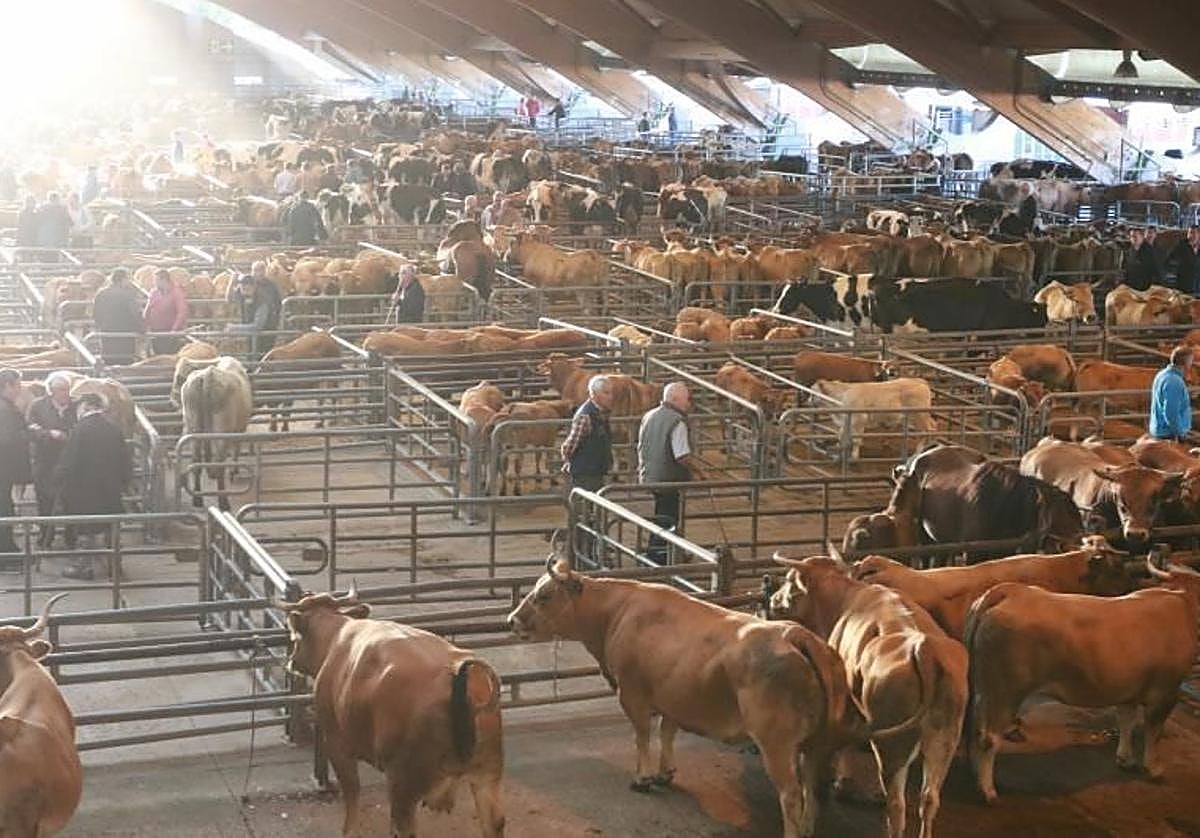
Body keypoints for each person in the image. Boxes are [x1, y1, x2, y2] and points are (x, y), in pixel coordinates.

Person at [56, 392, 132, 580]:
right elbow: (125, 461)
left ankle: (84, 567)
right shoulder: (114, 429)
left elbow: (70, 461)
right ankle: (116, 566)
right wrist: (123, 483)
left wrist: (57, 477)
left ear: (86, 406)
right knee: (111, 528)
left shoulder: (80, 430)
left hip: (85, 490)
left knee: (86, 529)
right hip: (111, 490)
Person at [637, 382, 705, 560]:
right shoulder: (677, 421)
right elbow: (681, 455)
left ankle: (663, 551)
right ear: (675, 399)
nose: (688, 404)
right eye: (686, 399)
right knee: (669, 517)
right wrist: (699, 471)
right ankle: (661, 554)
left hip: (651, 474)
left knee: (662, 514)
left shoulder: (649, 415)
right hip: (669, 477)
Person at [26, 371, 75, 549]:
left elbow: (79, 429)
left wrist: (68, 436)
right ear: (51, 391)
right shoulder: (38, 406)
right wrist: (49, 434)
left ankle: (72, 537)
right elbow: (31, 427)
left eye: (67, 389)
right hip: (45, 461)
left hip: (68, 462)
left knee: (71, 500)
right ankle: (46, 536)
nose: (66, 393)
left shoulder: (75, 406)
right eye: (61, 390)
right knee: (45, 501)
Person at [561, 375, 614, 494]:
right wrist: (569, 462)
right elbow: (569, 446)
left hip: (594, 471)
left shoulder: (599, 414)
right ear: (594, 394)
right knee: (585, 507)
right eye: (606, 393)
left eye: (610, 393)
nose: (611, 397)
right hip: (585, 473)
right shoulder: (586, 416)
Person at [0, 368, 31, 564]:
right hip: (4, 469)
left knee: (5, 505)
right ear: (7, 385)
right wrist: (29, 433)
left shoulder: (6, 407)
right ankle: (6, 552)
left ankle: (8, 548)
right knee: (4, 507)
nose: (20, 389)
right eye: (17, 385)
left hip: (5, 469)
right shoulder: (4, 410)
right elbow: (7, 440)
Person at [225, 263, 283, 357]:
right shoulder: (243, 294)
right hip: (250, 331)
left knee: (263, 356)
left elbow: (258, 326)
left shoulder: (263, 300)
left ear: (254, 286)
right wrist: (232, 281)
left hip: (266, 332)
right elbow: (229, 298)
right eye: (243, 285)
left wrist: (233, 328)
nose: (245, 288)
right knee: (250, 354)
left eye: (248, 285)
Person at [92, 267, 145, 364]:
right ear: (123, 279)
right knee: (125, 363)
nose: (129, 282)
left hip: (107, 335)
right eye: (128, 279)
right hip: (125, 336)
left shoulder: (100, 294)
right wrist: (142, 329)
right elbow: (135, 313)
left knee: (109, 362)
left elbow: (96, 315)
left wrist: (101, 327)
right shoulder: (128, 295)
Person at [1149, 345, 1193, 442]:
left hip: (1161, 431)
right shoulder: (1174, 381)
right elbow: (1171, 412)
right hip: (1169, 434)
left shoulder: (1162, 375)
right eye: (1191, 361)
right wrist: (1180, 433)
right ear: (1186, 363)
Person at [142, 268, 189, 354]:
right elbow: (148, 309)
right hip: (156, 331)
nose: (154, 283)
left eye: (156, 280)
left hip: (170, 332)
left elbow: (182, 312)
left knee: (170, 355)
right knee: (158, 354)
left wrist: (174, 330)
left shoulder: (177, 292)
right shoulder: (154, 292)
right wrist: (146, 325)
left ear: (164, 280)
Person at [1125, 227, 1163, 291]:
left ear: (1142, 237)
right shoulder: (1129, 251)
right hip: (1132, 286)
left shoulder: (1151, 251)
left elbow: (1158, 269)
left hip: (1147, 287)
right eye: (1132, 236)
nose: (1134, 239)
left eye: (1136, 236)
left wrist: (1155, 286)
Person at [1168, 225, 1200, 295]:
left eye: (1194, 233)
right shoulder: (1182, 245)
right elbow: (1169, 259)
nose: (1191, 235)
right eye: (1190, 233)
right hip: (1184, 285)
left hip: (1197, 286)